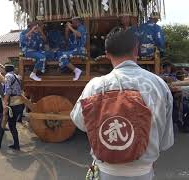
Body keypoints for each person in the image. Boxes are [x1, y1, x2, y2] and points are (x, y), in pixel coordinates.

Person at [70, 29, 173, 179]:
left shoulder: (94, 86)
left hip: (105, 172)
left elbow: (81, 122)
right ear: (136, 49)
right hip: (143, 173)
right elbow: (165, 141)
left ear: (107, 54)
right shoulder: (159, 85)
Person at [0, 64, 23, 150]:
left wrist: (4, 103)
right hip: (18, 103)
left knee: (2, 123)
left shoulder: (8, 76)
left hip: (11, 103)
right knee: (12, 125)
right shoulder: (17, 76)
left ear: (6, 69)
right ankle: (16, 145)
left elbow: (7, 90)